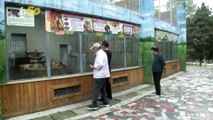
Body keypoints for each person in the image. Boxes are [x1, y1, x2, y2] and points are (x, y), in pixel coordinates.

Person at [87, 43, 110, 110]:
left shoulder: (100, 54)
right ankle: (106, 102)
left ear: (97, 48)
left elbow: (100, 64)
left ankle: (94, 104)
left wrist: (93, 67)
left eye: (94, 48)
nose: (93, 50)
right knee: (103, 89)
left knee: (96, 90)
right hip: (103, 75)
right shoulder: (102, 53)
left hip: (100, 75)